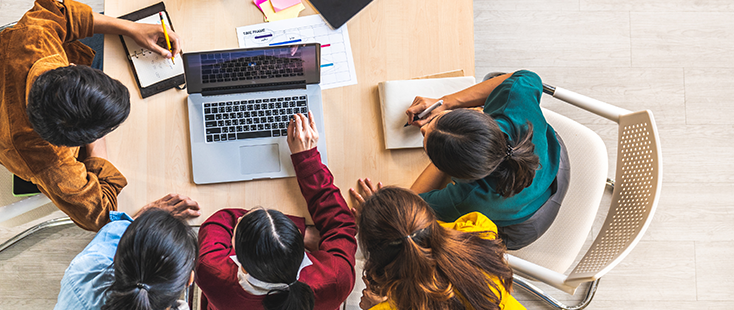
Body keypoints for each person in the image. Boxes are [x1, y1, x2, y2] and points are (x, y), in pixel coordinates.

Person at [0, 0, 182, 231]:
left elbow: (64, 14)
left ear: (72, 66)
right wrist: (96, 145)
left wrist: (131, 28)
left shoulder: (35, 36)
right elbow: (101, 215)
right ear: (76, 144)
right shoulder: (51, 163)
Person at [196, 112, 357, 310]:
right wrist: (307, 160)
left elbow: (221, 220)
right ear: (299, 245)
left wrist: (301, 229)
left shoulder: (212, 272)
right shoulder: (335, 281)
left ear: (243, 266)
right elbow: (341, 225)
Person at [397, 70, 570, 250]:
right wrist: (446, 103)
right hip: (554, 166)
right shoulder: (514, 104)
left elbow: (411, 207)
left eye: (425, 133)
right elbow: (527, 77)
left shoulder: (467, 199)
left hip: (524, 226)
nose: (424, 127)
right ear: (478, 116)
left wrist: (447, 156)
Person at [351, 184, 525, 310]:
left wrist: (371, 307)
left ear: (375, 255)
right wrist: (398, 219)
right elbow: (423, 235)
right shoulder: (480, 231)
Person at [55, 194, 201, 310]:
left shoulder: (84, 273)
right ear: (190, 279)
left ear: (115, 257)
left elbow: (114, 232)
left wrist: (145, 220)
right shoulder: (82, 271)